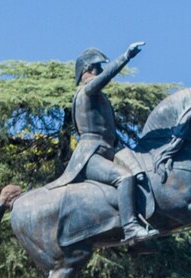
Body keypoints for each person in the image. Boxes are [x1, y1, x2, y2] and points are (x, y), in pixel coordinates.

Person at [47, 41, 157, 244]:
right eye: (98, 68)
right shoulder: (86, 91)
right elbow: (106, 78)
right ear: (87, 70)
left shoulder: (97, 96)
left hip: (109, 152)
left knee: (142, 173)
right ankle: (131, 228)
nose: (101, 71)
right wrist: (126, 57)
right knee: (124, 177)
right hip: (91, 155)